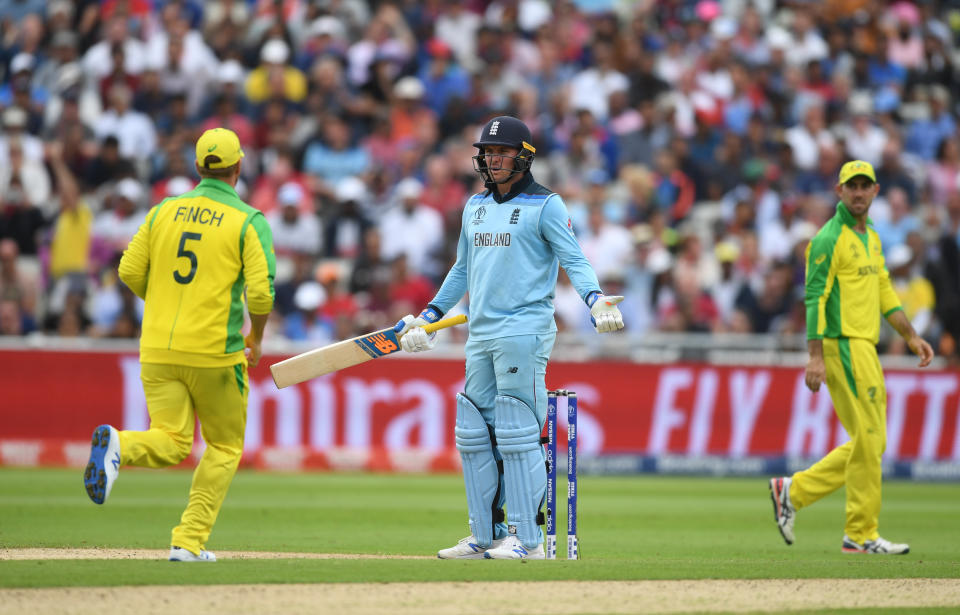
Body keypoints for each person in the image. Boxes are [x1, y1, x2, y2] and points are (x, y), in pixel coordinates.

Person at [394, 116, 624, 560]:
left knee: (518, 433)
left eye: (501, 152)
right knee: (474, 433)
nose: (492, 159)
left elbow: (573, 259)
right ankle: (486, 534)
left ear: (523, 156)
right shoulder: (474, 206)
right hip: (479, 332)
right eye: (488, 152)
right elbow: (461, 268)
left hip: (524, 329)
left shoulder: (546, 205)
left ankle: (529, 539)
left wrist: (595, 300)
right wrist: (429, 315)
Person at [82, 128, 276, 563]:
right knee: (224, 447)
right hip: (215, 353)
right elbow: (261, 295)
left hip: (157, 348)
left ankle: (120, 445)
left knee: (170, 441)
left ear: (197, 167)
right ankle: (187, 542)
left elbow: (129, 271)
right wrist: (257, 338)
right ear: (239, 167)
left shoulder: (164, 209)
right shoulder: (248, 220)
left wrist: (172, 305)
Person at [769, 160, 934, 555]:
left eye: (865, 186)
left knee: (870, 442)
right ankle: (859, 534)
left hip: (864, 345)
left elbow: (884, 290)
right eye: (851, 186)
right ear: (838, 191)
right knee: (870, 439)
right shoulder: (828, 238)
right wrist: (814, 356)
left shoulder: (871, 235)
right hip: (840, 344)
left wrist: (910, 335)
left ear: (876, 190)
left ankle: (794, 491)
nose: (858, 193)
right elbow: (814, 298)